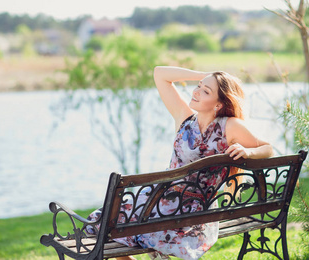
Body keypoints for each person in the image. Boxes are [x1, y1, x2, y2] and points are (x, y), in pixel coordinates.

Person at [87, 66, 274, 260]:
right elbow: (160, 73)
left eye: (206, 91)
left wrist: (249, 151)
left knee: (117, 225)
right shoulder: (185, 119)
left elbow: (268, 148)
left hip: (191, 213)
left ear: (218, 104)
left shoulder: (230, 126)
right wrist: (206, 77)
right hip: (160, 202)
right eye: (198, 86)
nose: (196, 91)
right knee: (108, 220)